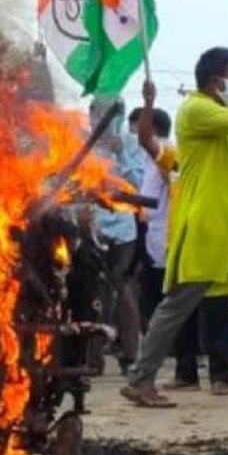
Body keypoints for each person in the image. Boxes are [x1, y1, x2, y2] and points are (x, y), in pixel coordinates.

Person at [121, 48, 228, 408]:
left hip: (220, 229)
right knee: (176, 308)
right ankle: (141, 378)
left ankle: (219, 376)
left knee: (201, 309)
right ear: (217, 79)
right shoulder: (199, 109)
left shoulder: (210, 125)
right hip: (204, 230)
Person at [134, 83, 203, 390]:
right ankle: (176, 371)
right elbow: (147, 140)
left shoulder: (181, 159)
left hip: (181, 243)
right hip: (166, 243)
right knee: (172, 310)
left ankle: (189, 371)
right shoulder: (171, 159)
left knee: (178, 310)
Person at [92, 99, 145, 375]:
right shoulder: (82, 142)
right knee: (90, 289)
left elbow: (139, 183)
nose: (101, 118)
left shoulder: (131, 144)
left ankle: (130, 355)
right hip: (92, 226)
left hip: (122, 227)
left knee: (123, 286)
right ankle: (92, 354)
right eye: (97, 111)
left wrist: (122, 154)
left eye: (110, 112)